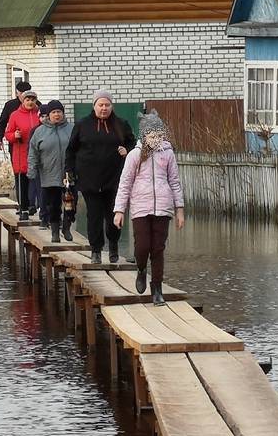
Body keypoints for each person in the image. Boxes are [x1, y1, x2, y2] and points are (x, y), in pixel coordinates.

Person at [113, 110, 185, 305]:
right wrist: (119, 210)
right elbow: (125, 183)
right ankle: (141, 269)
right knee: (143, 246)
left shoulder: (168, 153)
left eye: (159, 136)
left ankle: (157, 288)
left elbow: (175, 182)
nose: (156, 140)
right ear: (144, 136)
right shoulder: (135, 155)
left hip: (163, 207)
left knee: (158, 249)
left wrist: (179, 209)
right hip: (140, 207)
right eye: (152, 136)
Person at [65, 90, 136, 264]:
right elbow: (70, 150)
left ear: (112, 106)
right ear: (94, 106)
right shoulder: (83, 125)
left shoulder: (121, 124)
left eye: (107, 105)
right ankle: (96, 250)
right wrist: (69, 172)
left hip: (114, 179)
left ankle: (113, 248)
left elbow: (133, 143)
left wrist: (127, 150)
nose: (104, 108)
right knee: (94, 216)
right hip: (90, 179)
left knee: (113, 215)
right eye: (100, 105)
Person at [28, 100, 74, 242]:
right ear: (48, 115)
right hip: (49, 174)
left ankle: (66, 227)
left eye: (59, 112)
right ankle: (55, 231)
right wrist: (32, 170)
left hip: (69, 175)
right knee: (53, 205)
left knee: (71, 204)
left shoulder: (71, 129)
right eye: (54, 112)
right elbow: (33, 152)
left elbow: (81, 149)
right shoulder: (40, 132)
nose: (57, 115)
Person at [5, 90, 41, 218]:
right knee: (22, 181)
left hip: (37, 154)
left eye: (33, 99)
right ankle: (23, 208)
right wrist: (14, 135)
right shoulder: (15, 115)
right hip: (21, 152)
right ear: (23, 101)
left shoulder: (40, 113)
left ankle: (35, 206)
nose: (30, 102)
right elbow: (8, 134)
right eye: (27, 100)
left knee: (36, 181)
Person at [0, 81, 40, 153]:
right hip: (16, 145)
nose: (23, 96)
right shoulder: (10, 105)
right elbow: (2, 123)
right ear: (17, 93)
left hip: (35, 145)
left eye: (26, 94)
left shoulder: (37, 106)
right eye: (21, 93)